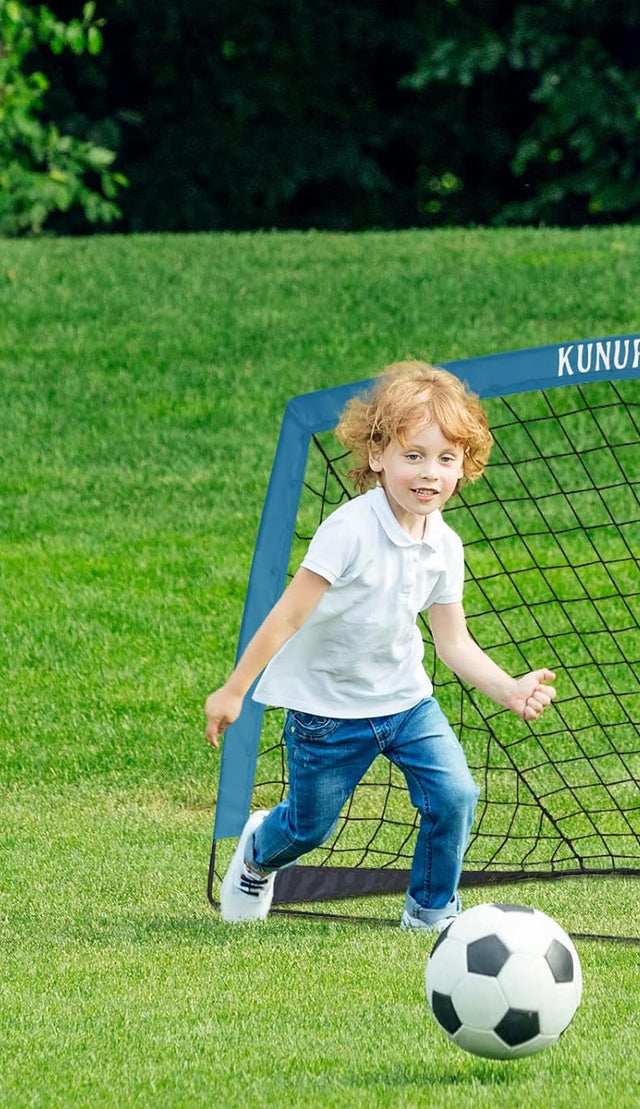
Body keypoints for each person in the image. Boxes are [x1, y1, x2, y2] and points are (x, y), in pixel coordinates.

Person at [204, 360, 556, 930]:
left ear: (464, 466)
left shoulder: (446, 545)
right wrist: (233, 690)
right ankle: (255, 857)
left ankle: (429, 911)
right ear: (377, 455)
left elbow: (453, 641)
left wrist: (510, 690)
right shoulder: (348, 531)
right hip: (327, 713)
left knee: (456, 795)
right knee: (307, 828)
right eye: (413, 455)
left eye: (446, 459)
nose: (429, 473)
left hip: (405, 703)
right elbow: (287, 616)